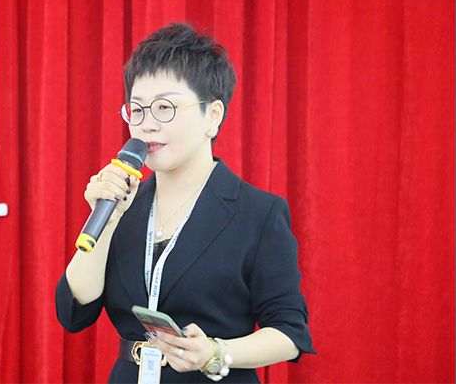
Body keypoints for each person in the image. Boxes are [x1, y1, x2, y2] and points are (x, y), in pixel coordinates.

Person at [56, 23, 315, 383]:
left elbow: (289, 333)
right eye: (137, 110)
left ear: (213, 115)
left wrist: (216, 352)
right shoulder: (122, 204)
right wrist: (108, 218)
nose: (147, 125)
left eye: (164, 107)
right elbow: (75, 313)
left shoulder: (258, 213)